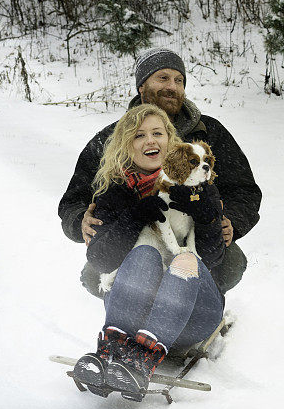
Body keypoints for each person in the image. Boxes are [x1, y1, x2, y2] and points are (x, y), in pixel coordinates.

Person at [59, 47, 261, 296]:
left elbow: (244, 190)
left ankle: (197, 307)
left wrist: (231, 221)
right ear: (142, 86)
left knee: (230, 264)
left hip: (195, 234)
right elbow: (72, 201)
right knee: (94, 275)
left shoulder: (209, 133)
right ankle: (131, 311)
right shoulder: (112, 139)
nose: (173, 86)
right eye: (163, 78)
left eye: (179, 80)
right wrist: (80, 220)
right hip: (134, 236)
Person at [71, 104, 226, 401]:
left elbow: (215, 257)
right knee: (143, 253)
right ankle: (111, 349)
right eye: (139, 135)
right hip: (137, 318)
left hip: (195, 313)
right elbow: (100, 260)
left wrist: (205, 215)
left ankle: (141, 360)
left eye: (158, 133)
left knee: (183, 259)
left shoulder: (201, 182)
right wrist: (134, 215)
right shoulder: (116, 190)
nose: (150, 141)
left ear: (171, 141)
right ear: (127, 145)